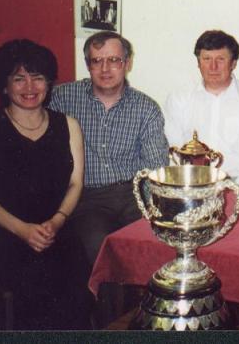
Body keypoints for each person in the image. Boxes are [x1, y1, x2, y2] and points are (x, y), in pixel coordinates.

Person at [49, 31, 169, 267]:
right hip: (87, 197)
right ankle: (111, 305)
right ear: (88, 65)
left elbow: (155, 169)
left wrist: (152, 214)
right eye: (97, 61)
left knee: (154, 243)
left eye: (113, 60)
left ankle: (142, 303)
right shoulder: (62, 99)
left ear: (127, 63)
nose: (105, 68)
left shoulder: (146, 108)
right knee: (99, 247)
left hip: (132, 194)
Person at [0, 39, 91, 329]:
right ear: (4, 86)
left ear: (49, 84)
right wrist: (23, 230)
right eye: (19, 78)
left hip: (56, 229)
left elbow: (76, 183)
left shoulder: (69, 125)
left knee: (75, 280)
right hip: (7, 231)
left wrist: (58, 220)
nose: (29, 87)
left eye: (37, 78)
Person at [164, 30, 239, 192]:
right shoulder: (179, 99)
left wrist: (236, 188)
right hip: (191, 183)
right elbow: (173, 146)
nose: (213, 66)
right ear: (198, 62)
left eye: (220, 59)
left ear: (233, 63)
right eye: (206, 59)